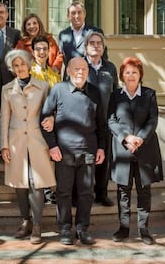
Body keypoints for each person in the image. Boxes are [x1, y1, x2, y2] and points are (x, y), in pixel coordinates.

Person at [40, 57, 106, 246]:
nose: (80, 72)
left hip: (88, 151)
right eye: (76, 68)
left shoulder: (94, 92)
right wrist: (52, 146)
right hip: (63, 151)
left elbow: (101, 124)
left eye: (84, 69)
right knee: (64, 192)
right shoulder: (58, 90)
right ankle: (65, 229)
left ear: (88, 71)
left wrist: (101, 147)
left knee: (86, 192)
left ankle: (82, 228)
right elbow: (44, 119)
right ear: (68, 71)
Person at [0, 49, 56, 244]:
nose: (19, 68)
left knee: (36, 182)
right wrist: (4, 146)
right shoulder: (7, 88)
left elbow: (49, 111)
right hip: (16, 140)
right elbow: (4, 118)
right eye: (15, 65)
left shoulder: (43, 85)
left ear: (29, 64)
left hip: (37, 138)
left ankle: (38, 224)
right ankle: (25, 220)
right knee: (20, 183)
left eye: (22, 64)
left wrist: (52, 120)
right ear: (11, 68)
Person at [107, 57, 163, 245]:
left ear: (140, 75)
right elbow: (111, 120)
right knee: (123, 191)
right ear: (122, 75)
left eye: (134, 72)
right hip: (123, 149)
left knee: (144, 191)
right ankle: (123, 228)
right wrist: (126, 137)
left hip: (145, 149)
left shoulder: (149, 94)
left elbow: (152, 120)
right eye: (127, 72)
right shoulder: (116, 95)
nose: (131, 76)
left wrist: (139, 139)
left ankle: (143, 229)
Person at [84, 32, 118, 207]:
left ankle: (102, 193)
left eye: (99, 43)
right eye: (92, 43)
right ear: (86, 47)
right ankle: (84, 193)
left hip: (105, 120)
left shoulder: (110, 68)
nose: (96, 46)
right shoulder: (80, 66)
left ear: (103, 48)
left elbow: (115, 94)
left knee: (103, 159)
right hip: (85, 122)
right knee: (86, 159)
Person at [29, 36, 61, 204]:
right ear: (33, 52)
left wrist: (54, 117)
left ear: (49, 52)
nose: (42, 52)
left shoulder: (54, 75)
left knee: (48, 156)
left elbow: (60, 99)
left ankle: (48, 190)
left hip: (50, 121)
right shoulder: (28, 72)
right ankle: (37, 190)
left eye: (45, 49)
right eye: (38, 49)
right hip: (32, 120)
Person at [58, 1, 108, 75]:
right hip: (70, 78)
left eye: (79, 12)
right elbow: (63, 59)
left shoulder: (95, 31)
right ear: (68, 16)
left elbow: (103, 56)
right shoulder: (63, 35)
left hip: (90, 77)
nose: (76, 16)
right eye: (73, 13)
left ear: (84, 14)